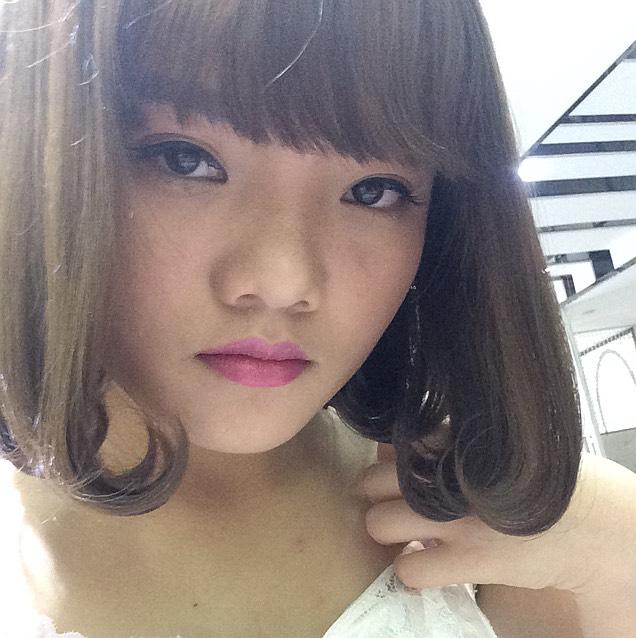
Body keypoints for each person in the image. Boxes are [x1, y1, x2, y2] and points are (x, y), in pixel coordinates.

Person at [0, 1, 634, 636]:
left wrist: (617, 558)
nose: (284, 284)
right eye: (185, 160)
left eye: (373, 191)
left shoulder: (495, 522)